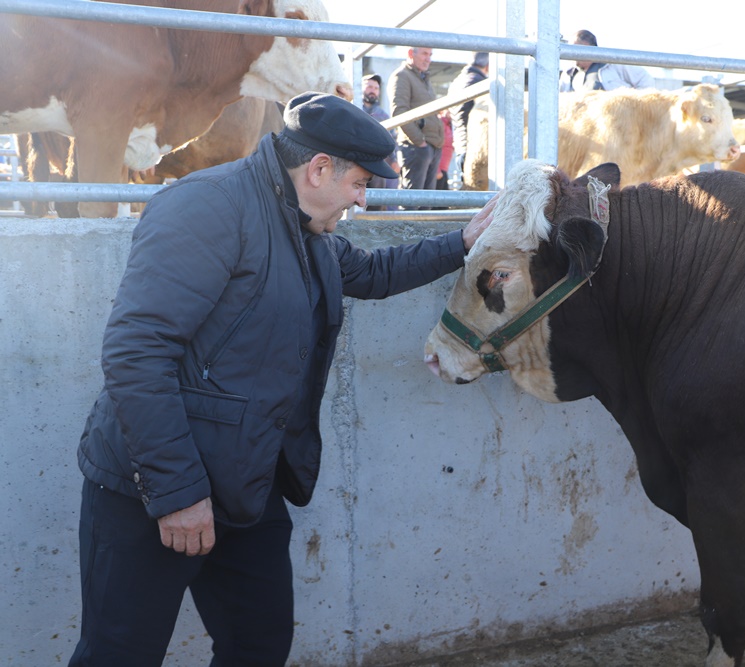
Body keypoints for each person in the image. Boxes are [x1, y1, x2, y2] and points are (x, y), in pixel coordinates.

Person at [70, 91, 496, 667]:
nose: (362, 199)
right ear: (318, 169)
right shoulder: (208, 207)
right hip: (153, 491)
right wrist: (178, 494)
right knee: (119, 655)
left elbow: (373, 272)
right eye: (359, 184)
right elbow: (136, 353)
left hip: (247, 483)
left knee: (259, 646)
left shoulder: (304, 225)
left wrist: (464, 242)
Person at [387, 47, 444, 204]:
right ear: (411, 53)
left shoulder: (423, 78)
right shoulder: (402, 76)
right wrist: (420, 142)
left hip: (431, 146)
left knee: (427, 203)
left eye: (430, 55)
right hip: (416, 147)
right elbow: (399, 112)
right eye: (425, 54)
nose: (428, 59)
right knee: (411, 202)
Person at [558, 29, 655, 92]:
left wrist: (635, 109)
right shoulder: (568, 74)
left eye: (576, 50)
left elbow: (646, 81)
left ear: (590, 48)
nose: (573, 55)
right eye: (571, 51)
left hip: (614, 115)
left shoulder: (614, 64)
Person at [360, 73, 400, 210]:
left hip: (378, 161)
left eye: (376, 88)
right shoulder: (353, 109)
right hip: (357, 159)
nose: (373, 90)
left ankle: (383, 218)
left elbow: (392, 140)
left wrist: (394, 160)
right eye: (369, 87)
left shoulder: (383, 115)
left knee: (387, 182)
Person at [447, 52, 489, 177]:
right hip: (476, 147)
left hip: (460, 144)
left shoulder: (457, 82)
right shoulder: (480, 83)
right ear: (488, 66)